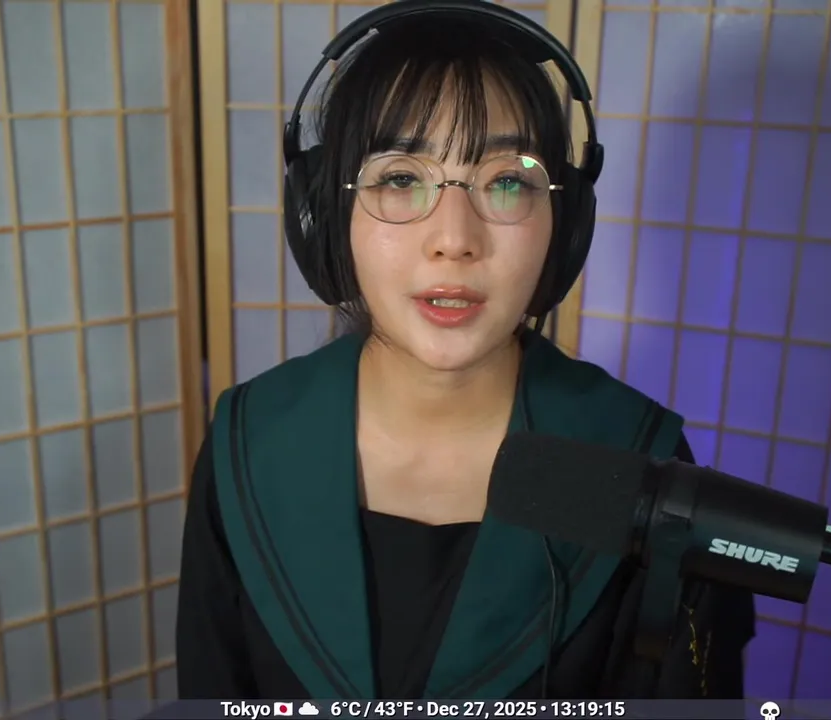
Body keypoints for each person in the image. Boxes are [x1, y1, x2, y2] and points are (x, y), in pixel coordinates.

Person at [176, 1, 755, 701]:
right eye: (399, 178)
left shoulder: (641, 466)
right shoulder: (251, 443)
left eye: (507, 181)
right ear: (327, 214)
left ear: (565, 223)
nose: (454, 238)